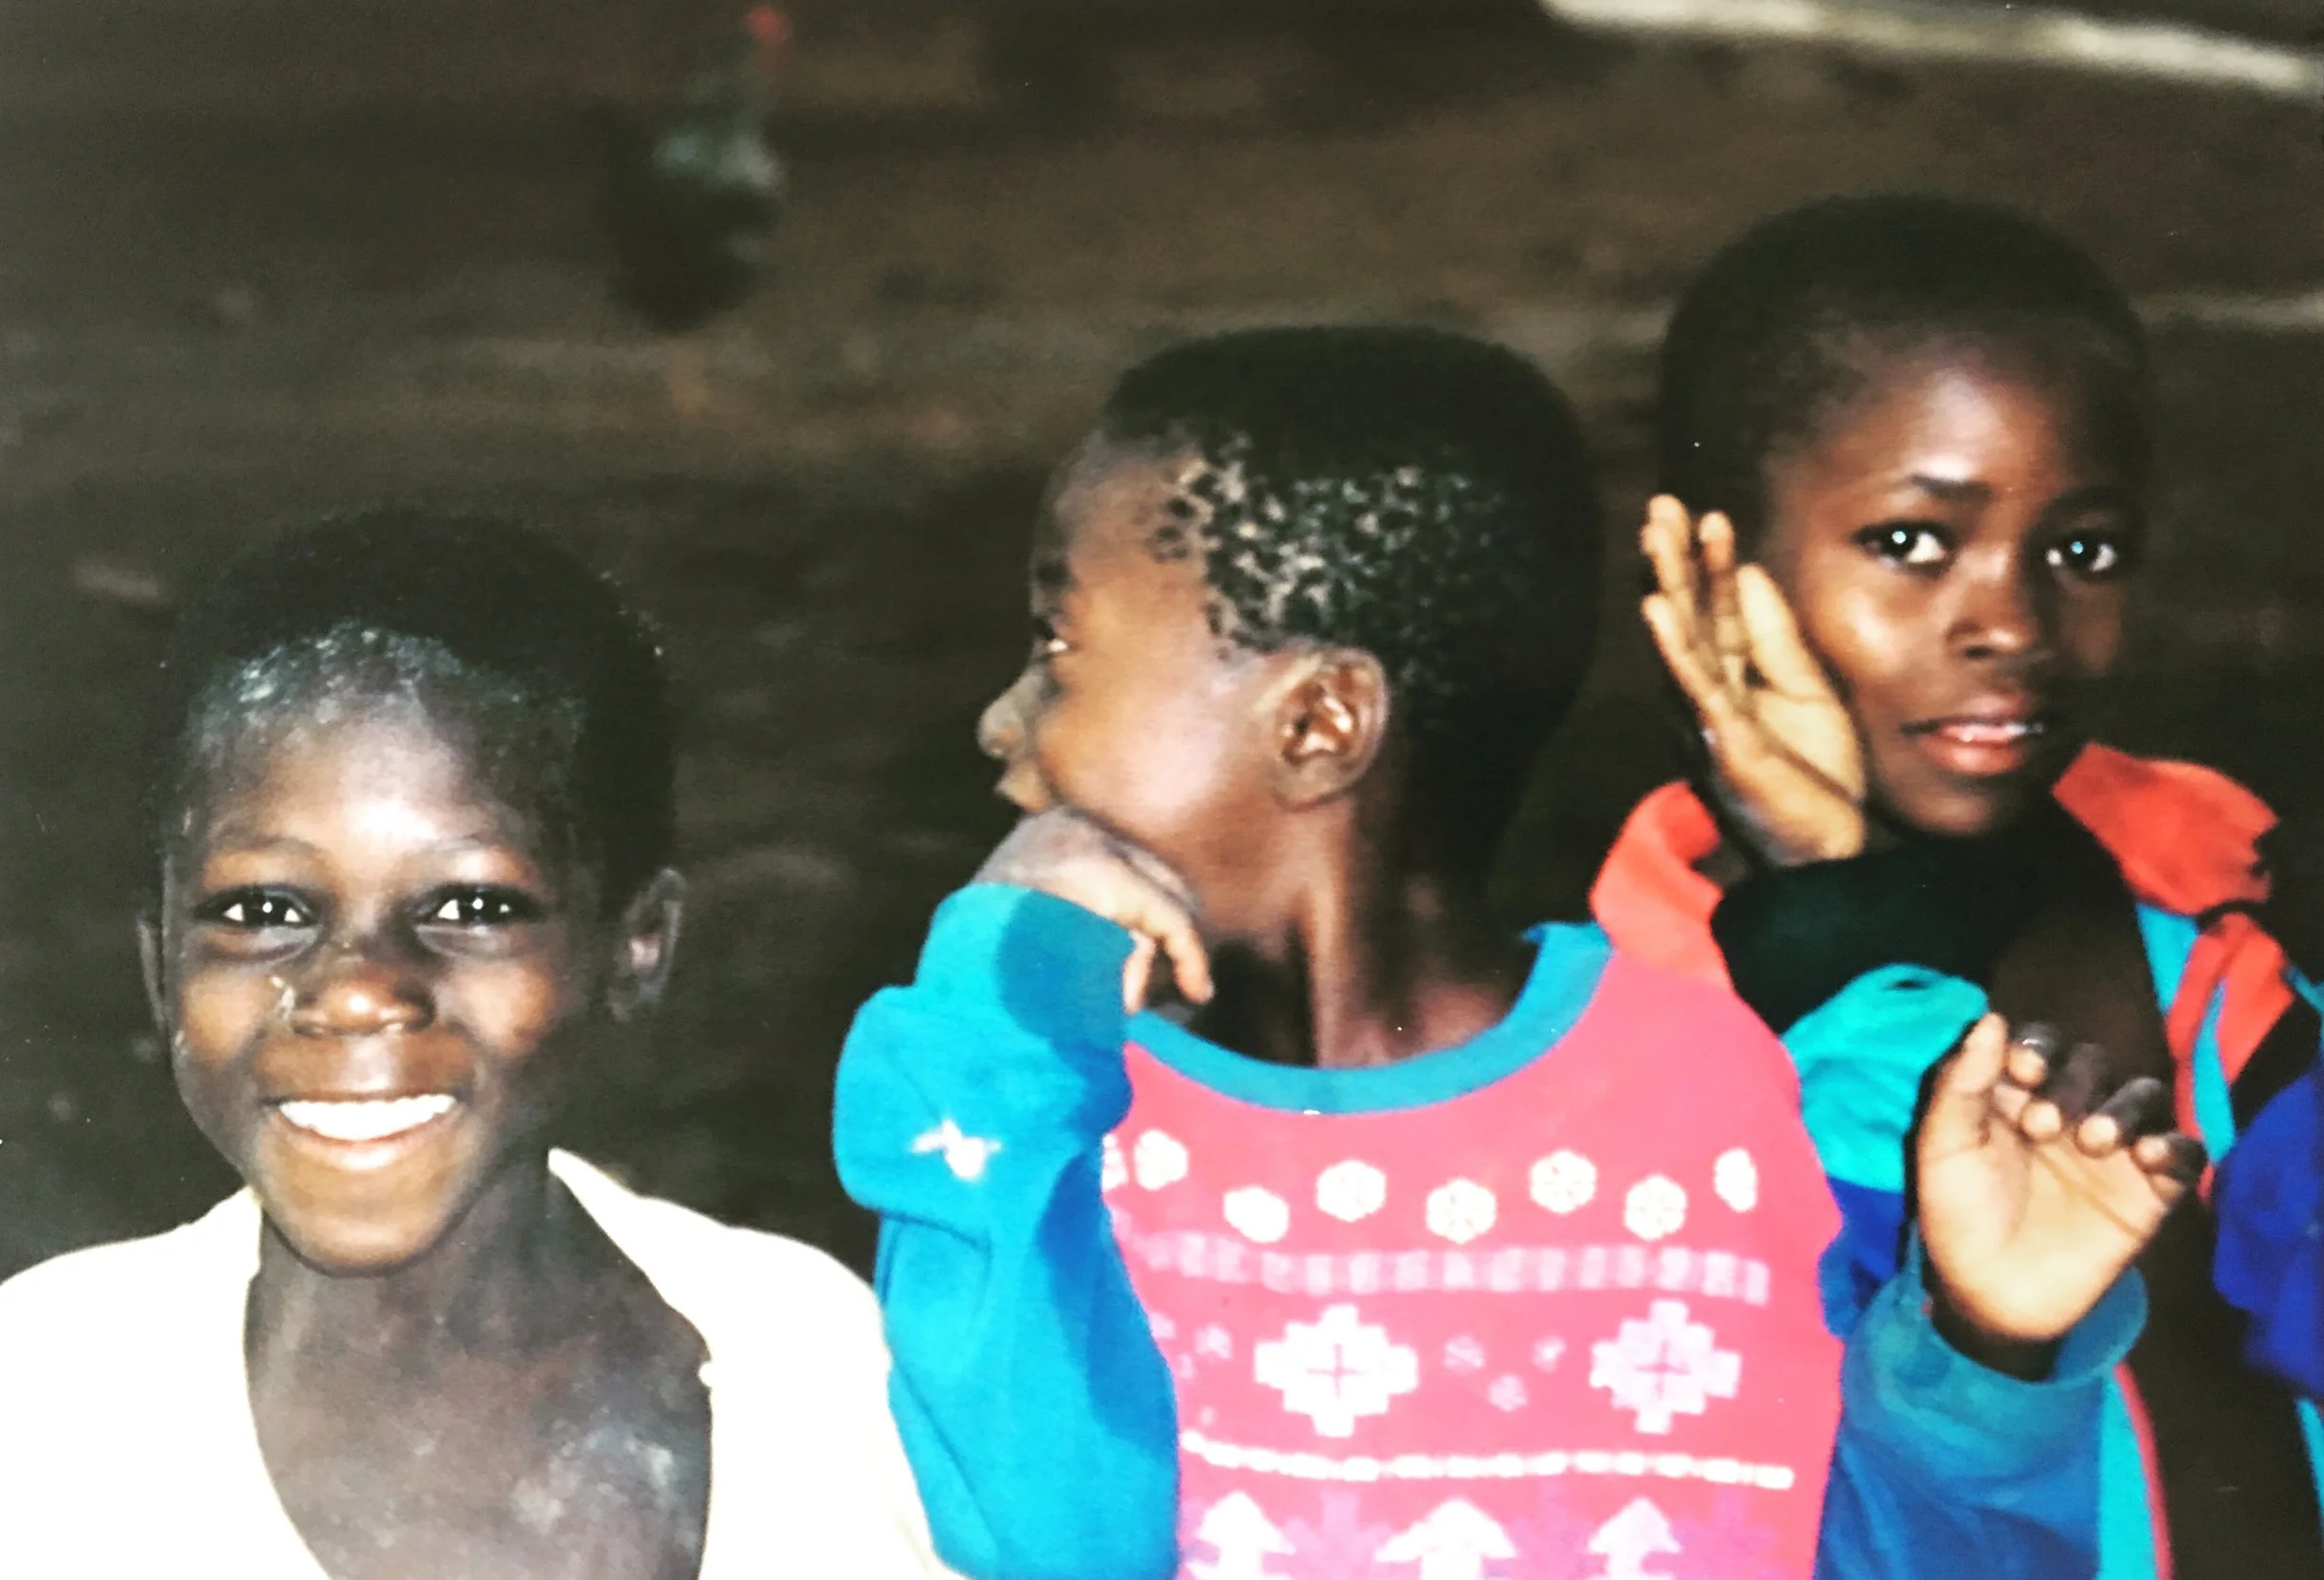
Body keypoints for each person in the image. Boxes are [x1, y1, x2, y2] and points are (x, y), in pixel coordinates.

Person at [833, 325, 2203, 1580]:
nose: (1003, 722)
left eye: (1058, 648)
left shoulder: (1719, 1100)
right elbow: (1044, 1538)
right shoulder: (1041, 1128)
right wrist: (1005, 996)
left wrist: (1981, 1351)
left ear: (1318, 724)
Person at [0, 510, 952, 1579]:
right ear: (162, 964)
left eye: (472, 905)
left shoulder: (812, 1364)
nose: (357, 992)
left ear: (636, 942)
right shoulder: (47, 1403)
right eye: (262, 911)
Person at [1619, 192, 2324, 1577]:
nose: (2010, 621)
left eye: (2081, 549)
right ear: (1710, 563)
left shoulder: (2214, 920)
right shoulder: (1633, 1026)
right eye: (1911, 542)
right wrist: (1832, 922)